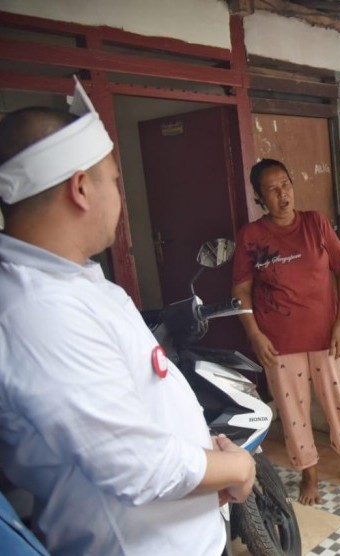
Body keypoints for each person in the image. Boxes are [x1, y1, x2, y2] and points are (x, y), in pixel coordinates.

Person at [0, 79, 256, 556]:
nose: (119, 194)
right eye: (114, 180)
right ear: (80, 188)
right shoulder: (39, 311)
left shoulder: (74, 281)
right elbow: (135, 463)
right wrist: (238, 469)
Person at [231, 158, 340, 505]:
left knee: (338, 403)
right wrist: (254, 334)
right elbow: (241, 291)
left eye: (286, 185)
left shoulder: (315, 224)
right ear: (260, 196)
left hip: (327, 336)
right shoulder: (251, 235)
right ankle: (309, 474)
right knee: (293, 412)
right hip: (279, 342)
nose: (282, 194)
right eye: (272, 189)